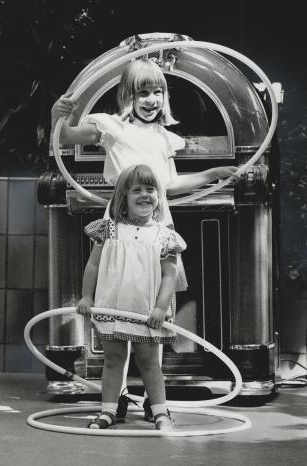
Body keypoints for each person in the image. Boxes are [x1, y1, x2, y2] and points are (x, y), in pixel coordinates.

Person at [51, 57, 238, 420]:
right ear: (127, 95)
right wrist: (58, 115)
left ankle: (157, 403)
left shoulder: (163, 137)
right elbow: (67, 137)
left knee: (152, 310)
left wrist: (212, 172)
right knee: (118, 309)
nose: (151, 99)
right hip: (120, 231)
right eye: (143, 92)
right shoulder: (113, 129)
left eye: (157, 91)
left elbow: (168, 185)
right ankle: (115, 399)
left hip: (155, 230)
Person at [76, 164, 187, 431]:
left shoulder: (163, 236)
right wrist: (86, 297)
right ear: (123, 196)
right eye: (136, 190)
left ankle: (160, 413)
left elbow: (170, 276)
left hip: (145, 310)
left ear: (159, 196)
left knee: (149, 362)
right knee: (113, 359)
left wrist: (161, 308)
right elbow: (93, 265)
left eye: (150, 189)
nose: (144, 195)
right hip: (112, 306)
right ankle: (108, 411)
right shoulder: (109, 230)